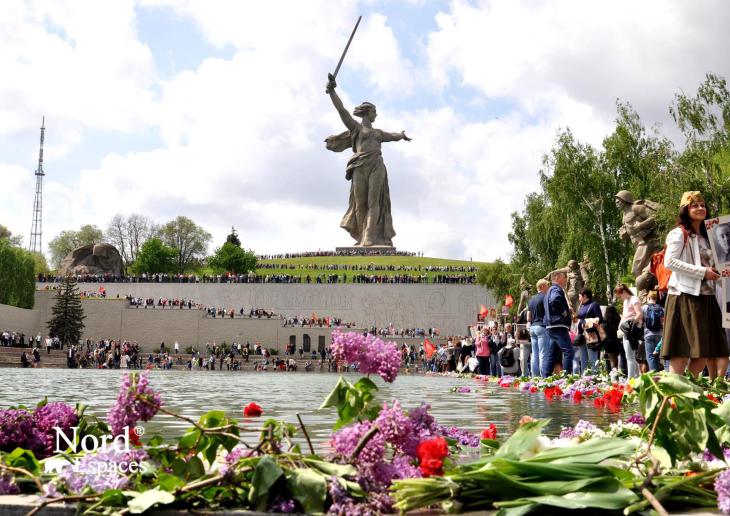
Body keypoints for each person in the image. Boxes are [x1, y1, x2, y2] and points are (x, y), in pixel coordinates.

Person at [325, 73, 411, 246]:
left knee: (373, 202)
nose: (376, 115)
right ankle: (361, 236)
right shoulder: (356, 127)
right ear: (366, 112)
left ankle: (370, 236)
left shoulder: (378, 133)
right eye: (374, 112)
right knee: (360, 203)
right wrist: (333, 91)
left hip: (376, 166)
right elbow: (342, 111)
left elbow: (392, 136)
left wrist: (401, 135)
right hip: (359, 166)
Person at [662, 191, 728, 378]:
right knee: (681, 349)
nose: (700, 208)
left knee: (704, 351)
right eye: (694, 205)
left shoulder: (708, 237)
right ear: (685, 209)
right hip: (684, 296)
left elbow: (713, 266)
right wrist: (702, 272)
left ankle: (683, 387)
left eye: (702, 205)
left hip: (707, 297)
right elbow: (670, 262)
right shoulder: (678, 233)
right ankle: (676, 391)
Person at [542, 270, 573, 376]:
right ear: (557, 278)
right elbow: (554, 301)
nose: (566, 281)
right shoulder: (556, 289)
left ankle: (546, 376)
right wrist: (564, 313)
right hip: (558, 324)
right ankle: (567, 377)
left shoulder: (550, 290)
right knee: (568, 351)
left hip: (551, 325)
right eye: (565, 278)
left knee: (552, 354)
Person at [615, 283, 642, 378]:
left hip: (631, 331)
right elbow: (624, 316)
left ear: (624, 292)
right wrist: (620, 328)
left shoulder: (634, 299)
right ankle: (637, 377)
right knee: (629, 355)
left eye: (620, 295)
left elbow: (639, 314)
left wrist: (631, 324)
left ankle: (630, 379)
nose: (620, 297)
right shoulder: (626, 301)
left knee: (630, 356)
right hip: (625, 330)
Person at [577, 288, 603, 372]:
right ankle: (583, 380)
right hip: (581, 335)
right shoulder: (581, 306)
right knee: (583, 359)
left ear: (585, 296)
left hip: (591, 335)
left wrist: (586, 323)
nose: (579, 298)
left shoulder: (594, 305)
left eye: (580, 296)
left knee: (593, 359)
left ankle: (594, 379)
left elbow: (599, 319)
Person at [527, 279, 549, 377]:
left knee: (534, 354)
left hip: (533, 327)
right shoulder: (545, 297)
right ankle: (544, 377)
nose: (548, 288)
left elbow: (528, 317)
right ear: (542, 286)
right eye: (547, 286)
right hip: (542, 327)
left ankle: (535, 377)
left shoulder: (531, 299)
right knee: (543, 354)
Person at [642, 290, 664, 372]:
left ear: (648, 297)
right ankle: (658, 375)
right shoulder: (661, 309)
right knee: (657, 356)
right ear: (656, 298)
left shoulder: (644, 308)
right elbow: (663, 322)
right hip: (659, 335)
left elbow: (641, 322)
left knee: (650, 357)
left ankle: (653, 376)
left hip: (648, 334)